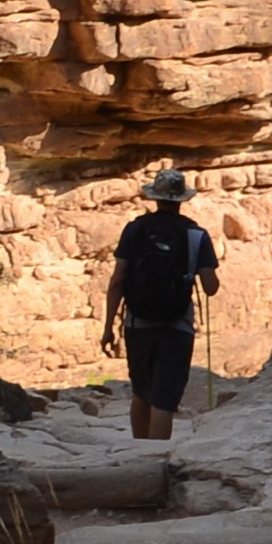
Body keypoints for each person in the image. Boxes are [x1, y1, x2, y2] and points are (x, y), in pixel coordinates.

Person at [99, 166, 221, 442]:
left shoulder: (135, 229)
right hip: (177, 326)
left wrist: (108, 328)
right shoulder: (195, 235)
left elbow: (118, 280)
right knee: (164, 400)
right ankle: (156, 460)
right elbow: (211, 288)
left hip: (138, 323)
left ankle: (138, 454)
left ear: (155, 197)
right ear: (182, 199)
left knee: (142, 392)